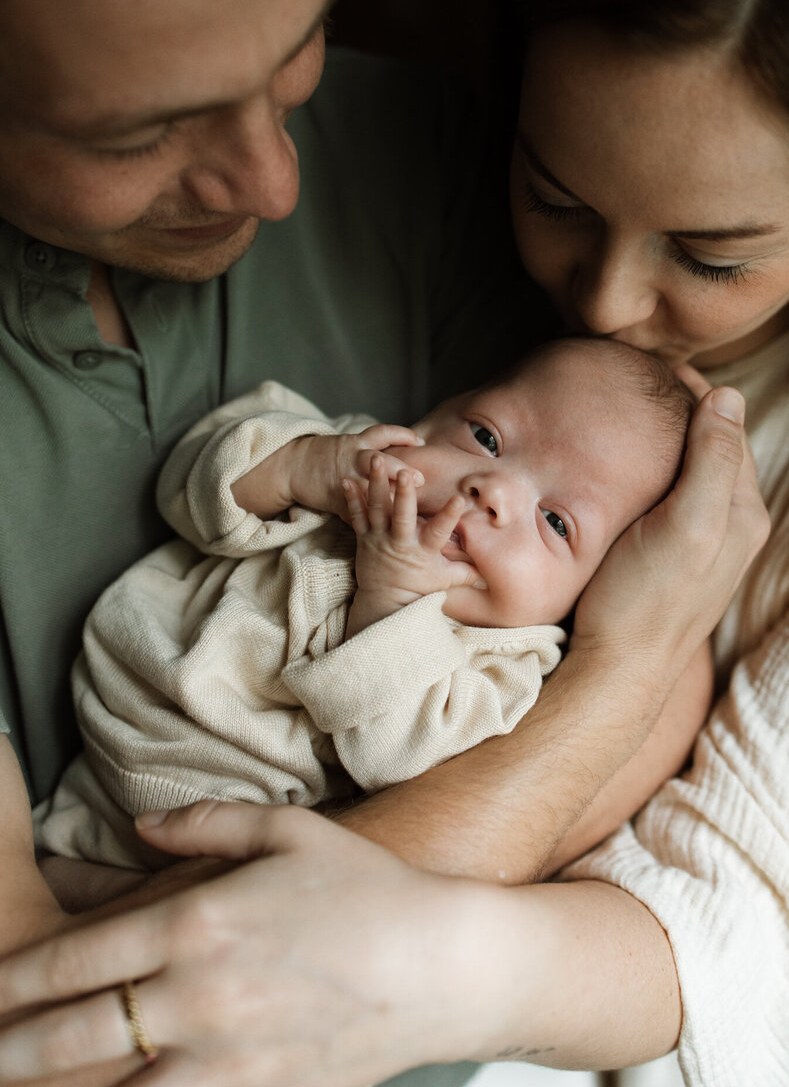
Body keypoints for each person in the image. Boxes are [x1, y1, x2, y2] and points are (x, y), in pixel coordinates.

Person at [0, 0, 774, 1086]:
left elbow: (644, 700)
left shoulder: (452, 167)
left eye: (297, 43)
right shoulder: (386, 451)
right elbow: (42, 1034)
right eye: (132, 134)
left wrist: (587, 669)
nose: (274, 181)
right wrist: (307, 465)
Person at [36, 337, 696, 874]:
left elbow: (397, 762)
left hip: (219, 839)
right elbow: (189, 494)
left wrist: (394, 601)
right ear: (437, 414)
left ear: (585, 595)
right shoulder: (355, 464)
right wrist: (305, 468)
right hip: (108, 738)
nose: (491, 488)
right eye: (487, 438)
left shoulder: (511, 663)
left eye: (555, 521)